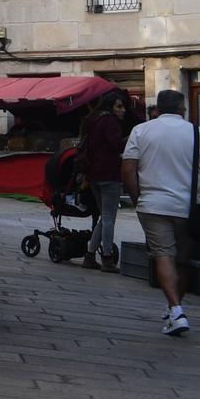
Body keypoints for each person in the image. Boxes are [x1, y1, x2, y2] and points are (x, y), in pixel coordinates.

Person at [120, 89, 200, 337]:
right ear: (183, 109)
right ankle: (174, 309)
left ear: (157, 109)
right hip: (189, 207)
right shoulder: (198, 134)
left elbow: (128, 170)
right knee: (183, 260)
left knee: (163, 255)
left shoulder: (142, 131)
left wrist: (139, 199)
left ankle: (175, 310)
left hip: (154, 205)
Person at [81, 90, 128, 273]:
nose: (123, 110)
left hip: (93, 175)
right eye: (119, 106)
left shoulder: (93, 120)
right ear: (110, 107)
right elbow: (117, 145)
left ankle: (90, 255)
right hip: (109, 174)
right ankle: (107, 257)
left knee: (105, 216)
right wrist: (131, 138)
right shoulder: (110, 122)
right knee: (109, 218)